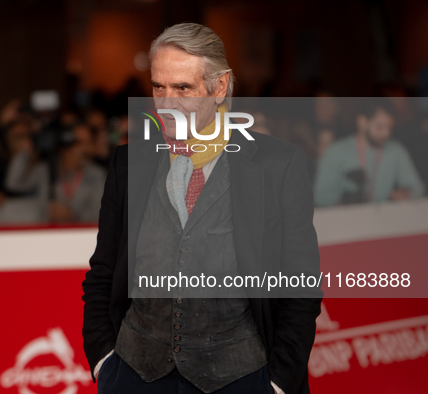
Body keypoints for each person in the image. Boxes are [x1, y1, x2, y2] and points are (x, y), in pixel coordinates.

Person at [82, 23, 322, 394]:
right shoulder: (131, 163)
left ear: (220, 87)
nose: (167, 103)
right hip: (133, 373)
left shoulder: (277, 165)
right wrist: (103, 361)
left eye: (183, 88)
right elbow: (104, 269)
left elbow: (301, 282)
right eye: (158, 86)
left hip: (241, 376)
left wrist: (278, 381)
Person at [314, 100, 424, 206]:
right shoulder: (336, 151)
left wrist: (404, 195)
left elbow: (418, 188)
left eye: (389, 128)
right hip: (346, 218)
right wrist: (343, 201)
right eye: (380, 126)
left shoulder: (396, 150)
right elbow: (321, 197)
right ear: (362, 122)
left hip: (385, 216)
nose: (386, 133)